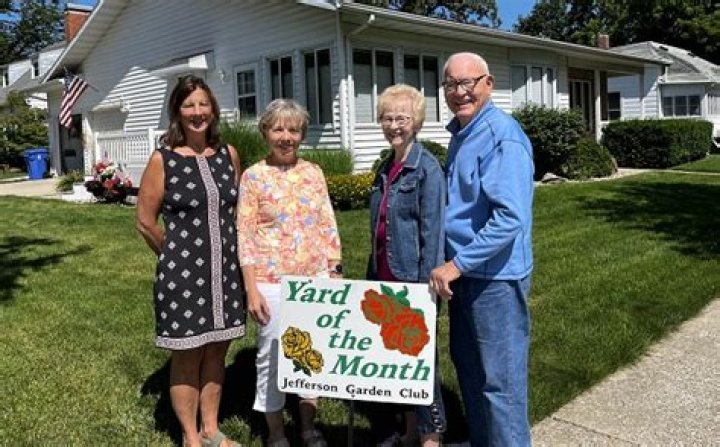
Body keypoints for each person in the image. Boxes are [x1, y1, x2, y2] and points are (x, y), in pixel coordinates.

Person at [428, 52, 535, 447]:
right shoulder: (463, 132)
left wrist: (455, 264)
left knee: (501, 387)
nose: (459, 92)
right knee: (472, 373)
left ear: (488, 84)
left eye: (467, 83)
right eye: (450, 84)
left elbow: (510, 218)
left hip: (495, 281)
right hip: (465, 275)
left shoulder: (501, 136)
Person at [136, 75, 244, 447]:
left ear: (212, 109)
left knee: (216, 350)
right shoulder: (162, 159)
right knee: (187, 353)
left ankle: (211, 429)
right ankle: (190, 436)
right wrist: (173, 256)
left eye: (203, 104)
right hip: (182, 276)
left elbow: (237, 211)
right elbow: (145, 221)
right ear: (177, 112)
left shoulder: (228, 154)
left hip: (226, 273)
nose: (197, 112)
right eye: (188, 105)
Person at [237, 99, 342, 447]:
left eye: (293, 130)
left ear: (302, 134)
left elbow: (328, 224)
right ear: (265, 131)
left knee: (310, 354)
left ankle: (308, 427)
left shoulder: (314, 173)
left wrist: (335, 271)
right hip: (270, 282)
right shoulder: (253, 176)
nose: (286, 136)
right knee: (271, 358)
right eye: (279, 129)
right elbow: (245, 235)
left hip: (315, 280)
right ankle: (276, 433)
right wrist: (251, 288)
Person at [366, 84, 447, 447]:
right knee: (399, 359)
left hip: (413, 280)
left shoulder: (426, 168)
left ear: (416, 122)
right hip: (384, 277)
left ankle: (431, 437)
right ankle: (411, 430)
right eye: (387, 118)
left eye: (402, 118)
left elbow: (433, 232)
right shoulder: (386, 167)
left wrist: (427, 290)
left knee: (422, 361)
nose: (394, 125)